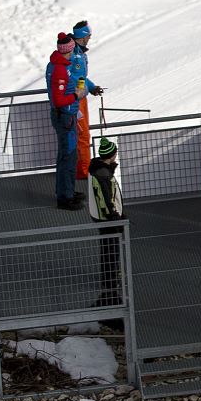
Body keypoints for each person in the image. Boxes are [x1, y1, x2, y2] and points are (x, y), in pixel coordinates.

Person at [45, 33, 83, 210]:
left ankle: (67, 192)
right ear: (69, 49)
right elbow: (60, 100)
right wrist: (76, 95)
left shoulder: (55, 65)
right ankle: (65, 198)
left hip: (64, 116)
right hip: (65, 117)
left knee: (66, 156)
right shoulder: (60, 69)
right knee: (68, 157)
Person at [88, 136, 125, 306]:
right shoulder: (103, 173)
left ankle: (108, 277)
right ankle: (110, 280)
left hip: (100, 216)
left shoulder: (99, 169)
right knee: (111, 248)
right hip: (107, 218)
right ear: (112, 155)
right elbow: (105, 198)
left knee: (107, 246)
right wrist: (115, 216)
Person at [68, 20, 104, 181]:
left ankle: (82, 169)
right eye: (89, 35)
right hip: (74, 99)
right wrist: (87, 87)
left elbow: (81, 77)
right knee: (82, 135)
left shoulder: (80, 52)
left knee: (82, 134)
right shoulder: (73, 53)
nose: (90, 37)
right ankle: (83, 172)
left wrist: (91, 87)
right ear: (83, 35)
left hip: (80, 97)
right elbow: (75, 77)